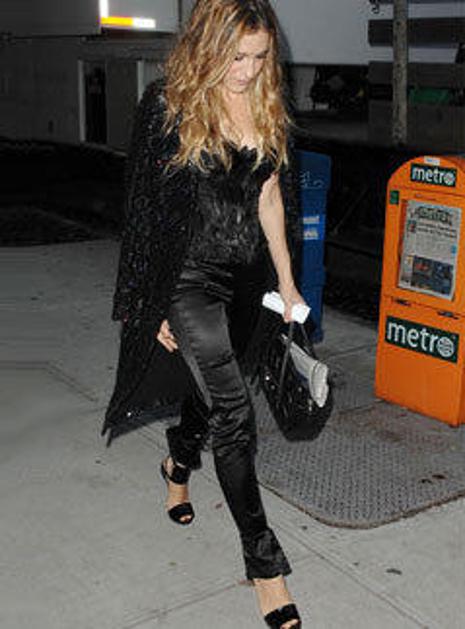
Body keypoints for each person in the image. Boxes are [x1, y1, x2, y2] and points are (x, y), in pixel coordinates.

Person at [103, 1, 305, 627]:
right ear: (208, 47)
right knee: (236, 415)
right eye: (236, 56)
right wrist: (149, 304)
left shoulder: (267, 104)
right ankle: (265, 566)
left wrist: (286, 281)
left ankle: (177, 460)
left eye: (259, 57)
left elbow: (270, 198)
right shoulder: (168, 105)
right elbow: (143, 213)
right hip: (189, 279)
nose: (247, 70)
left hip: (246, 279)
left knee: (217, 392)